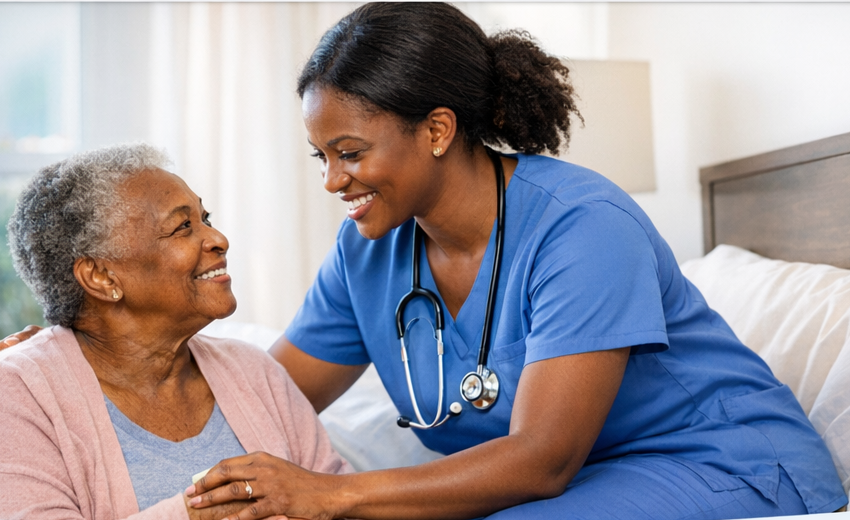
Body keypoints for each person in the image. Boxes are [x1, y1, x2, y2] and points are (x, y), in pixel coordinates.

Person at [4, 4, 846, 520]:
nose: (333, 181)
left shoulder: (582, 226)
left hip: (722, 466)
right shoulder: (369, 252)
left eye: (348, 151)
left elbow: (543, 460)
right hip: (585, 485)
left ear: (437, 130)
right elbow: (259, 396)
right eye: (319, 157)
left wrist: (331, 496)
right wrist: (83, 346)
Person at [0, 144, 351, 520]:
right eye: (183, 227)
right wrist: (198, 513)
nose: (219, 239)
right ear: (101, 277)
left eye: (206, 217)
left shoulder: (253, 370)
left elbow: (339, 502)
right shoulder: (20, 395)